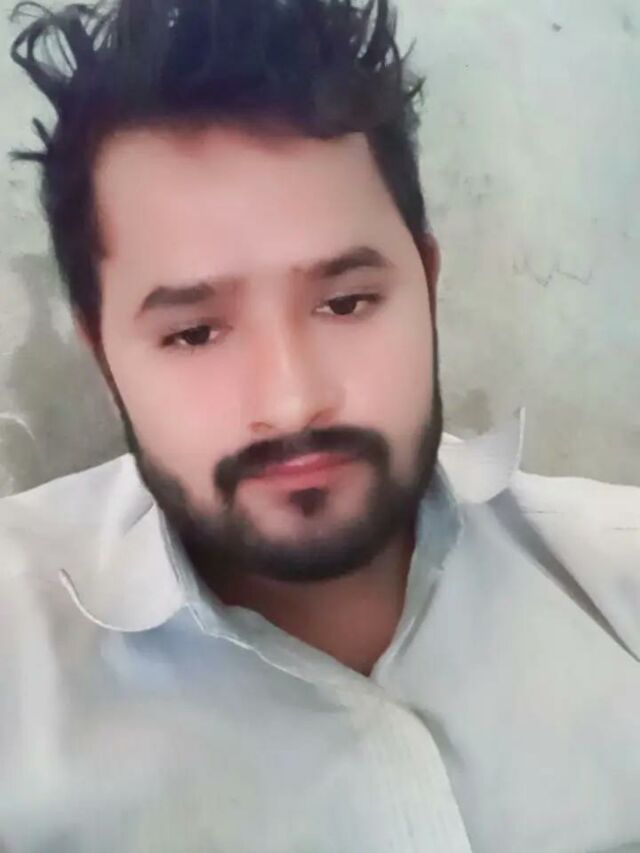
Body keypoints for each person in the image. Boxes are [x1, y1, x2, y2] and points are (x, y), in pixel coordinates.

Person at [1, 0, 638, 850]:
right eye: (195, 333)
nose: (294, 401)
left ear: (427, 284)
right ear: (103, 351)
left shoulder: (615, 583)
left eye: (347, 303)